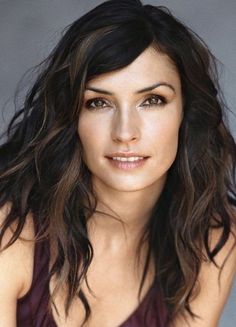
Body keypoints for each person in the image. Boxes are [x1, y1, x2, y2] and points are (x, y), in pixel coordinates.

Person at [0, 0, 235, 326]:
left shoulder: (213, 240)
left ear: (186, 112)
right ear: (72, 117)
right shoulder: (11, 232)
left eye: (152, 100)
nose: (125, 132)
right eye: (98, 102)